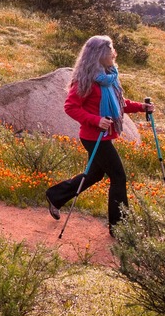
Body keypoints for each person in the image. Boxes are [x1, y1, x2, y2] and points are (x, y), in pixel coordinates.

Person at [45, 35, 154, 235]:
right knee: (118, 177)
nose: (114, 53)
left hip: (104, 136)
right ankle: (119, 227)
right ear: (99, 54)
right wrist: (96, 120)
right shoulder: (85, 81)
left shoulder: (109, 77)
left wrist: (141, 107)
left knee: (95, 174)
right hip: (93, 137)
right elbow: (70, 107)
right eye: (110, 50)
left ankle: (56, 195)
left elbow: (119, 103)